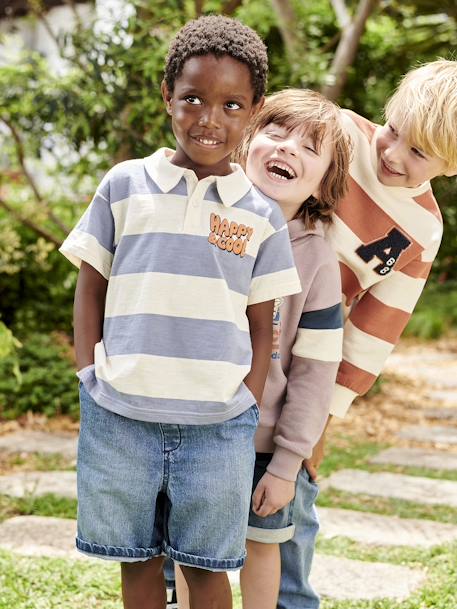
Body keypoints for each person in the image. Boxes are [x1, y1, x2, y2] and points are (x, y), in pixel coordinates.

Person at [59, 15, 302, 609]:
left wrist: (245, 395)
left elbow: (260, 318)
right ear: (167, 96)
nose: (209, 119)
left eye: (231, 105)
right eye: (192, 98)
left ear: (254, 110)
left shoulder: (260, 213)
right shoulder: (124, 185)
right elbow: (91, 286)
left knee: (207, 567)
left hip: (218, 423)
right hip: (120, 411)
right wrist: (89, 374)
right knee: (137, 559)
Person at [278, 59, 457, 609]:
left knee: (291, 498)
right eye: (394, 130)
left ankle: (292, 599)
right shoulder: (337, 134)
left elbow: (372, 332)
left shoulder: (422, 231)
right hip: (240, 319)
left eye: (418, 153)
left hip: (309, 357)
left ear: (451, 166)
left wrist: (324, 418)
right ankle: (170, 586)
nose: (393, 153)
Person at [173, 88, 351, 609]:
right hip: (193, 428)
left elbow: (317, 370)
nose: (289, 148)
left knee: (262, 545)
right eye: (276, 132)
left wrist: (287, 462)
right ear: (248, 140)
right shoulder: (205, 214)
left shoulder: (317, 258)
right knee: (192, 552)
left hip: (262, 445)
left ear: (325, 180)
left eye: (309, 147)